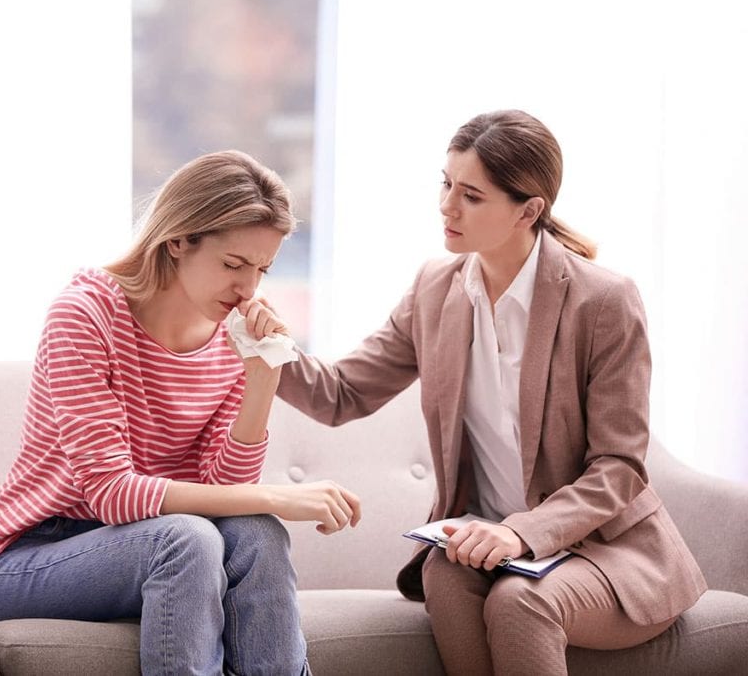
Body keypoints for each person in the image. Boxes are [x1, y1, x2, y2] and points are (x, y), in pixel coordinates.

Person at [274, 110, 707, 674]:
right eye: (446, 183)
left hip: (607, 552)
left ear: (529, 210)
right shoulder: (436, 289)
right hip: (489, 550)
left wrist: (518, 533)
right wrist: (262, 345)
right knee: (445, 574)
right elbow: (342, 394)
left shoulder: (603, 301)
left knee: (519, 601)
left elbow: (619, 468)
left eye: (472, 195)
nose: (447, 205)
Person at [0, 149, 360, 675]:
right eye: (232, 265)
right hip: (32, 559)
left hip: (165, 548)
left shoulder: (233, 339)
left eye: (262, 269)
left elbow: (225, 490)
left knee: (258, 533)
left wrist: (262, 381)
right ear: (179, 240)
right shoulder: (84, 314)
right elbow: (111, 492)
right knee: (189, 538)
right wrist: (278, 495)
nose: (248, 289)